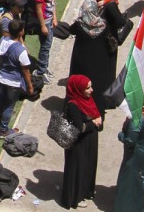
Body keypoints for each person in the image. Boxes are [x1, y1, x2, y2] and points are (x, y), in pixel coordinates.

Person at [60, 75, 103, 210]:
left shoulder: (86, 99)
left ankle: (86, 192)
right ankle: (75, 198)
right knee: (78, 168)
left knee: (88, 165)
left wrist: (98, 121)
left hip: (90, 140)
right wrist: (94, 123)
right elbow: (80, 127)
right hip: (78, 144)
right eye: (87, 88)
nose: (91, 90)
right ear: (78, 89)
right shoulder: (73, 104)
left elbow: (96, 115)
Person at [115, 91, 144, 212]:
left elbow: (130, 141)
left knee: (131, 181)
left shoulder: (136, 120)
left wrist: (121, 135)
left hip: (136, 155)